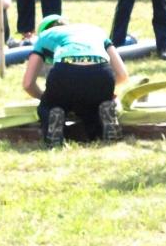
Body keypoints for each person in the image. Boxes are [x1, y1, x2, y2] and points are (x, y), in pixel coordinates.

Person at [22, 14, 129, 148]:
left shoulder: (45, 36)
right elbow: (122, 75)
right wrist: (104, 90)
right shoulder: (95, 30)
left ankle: (53, 122)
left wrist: (45, 98)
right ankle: (104, 118)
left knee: (48, 107)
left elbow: (28, 84)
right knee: (92, 108)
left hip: (65, 73)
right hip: (101, 72)